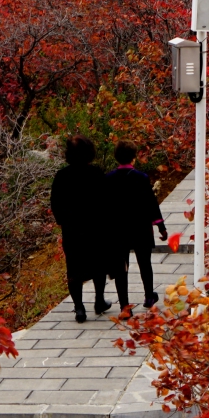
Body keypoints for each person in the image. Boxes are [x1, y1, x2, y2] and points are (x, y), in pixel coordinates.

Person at [103, 142, 168, 316]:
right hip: (140, 227)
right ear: (133, 157)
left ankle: (125, 306)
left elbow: (105, 208)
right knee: (144, 263)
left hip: (117, 230)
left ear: (116, 157)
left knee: (120, 267)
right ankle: (148, 297)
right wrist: (161, 226)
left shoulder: (108, 179)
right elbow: (151, 204)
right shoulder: (141, 177)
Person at [49, 136, 110, 323]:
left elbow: (55, 202)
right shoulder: (96, 174)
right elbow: (106, 201)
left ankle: (79, 307)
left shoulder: (62, 176)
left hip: (72, 229)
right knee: (98, 265)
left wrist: (62, 221)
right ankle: (99, 301)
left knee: (73, 268)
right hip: (95, 228)